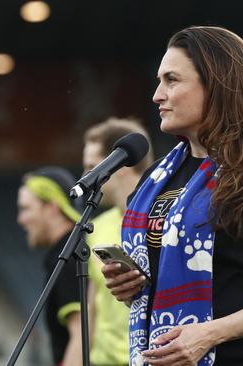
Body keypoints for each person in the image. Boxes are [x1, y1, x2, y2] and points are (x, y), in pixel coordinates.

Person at [102, 26, 243, 366]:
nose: (157, 95)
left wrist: (209, 333)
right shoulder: (157, 178)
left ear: (216, 85)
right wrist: (130, 285)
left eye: (172, 80)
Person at [82, 117, 154, 366]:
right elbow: (92, 306)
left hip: (149, 358)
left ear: (121, 163)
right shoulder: (96, 228)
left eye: (92, 167)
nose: (85, 177)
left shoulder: (163, 219)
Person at [16, 167, 83, 366]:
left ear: (53, 207)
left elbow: (81, 335)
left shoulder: (68, 258)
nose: (20, 219)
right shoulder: (78, 246)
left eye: (26, 208)